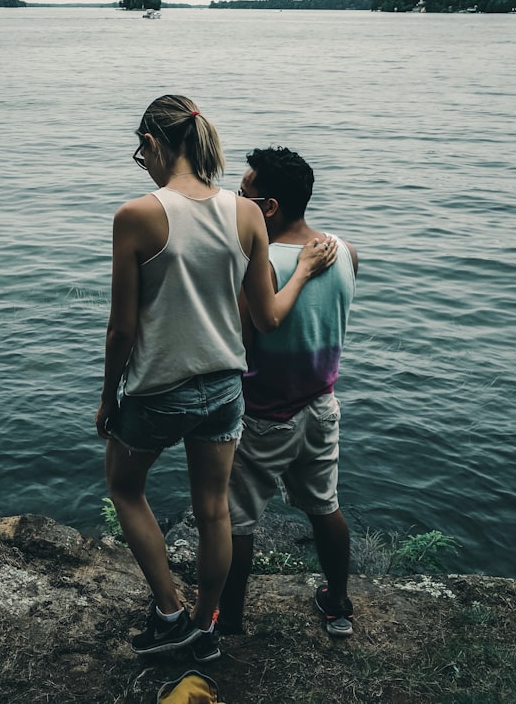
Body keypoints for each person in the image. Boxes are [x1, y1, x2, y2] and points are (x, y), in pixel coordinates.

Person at [95, 97, 337, 663]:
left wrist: (108, 399)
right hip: (227, 389)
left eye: (141, 152)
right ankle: (206, 626)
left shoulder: (137, 215)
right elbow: (267, 317)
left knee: (125, 488)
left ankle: (170, 611)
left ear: (153, 144)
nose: (142, 162)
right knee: (214, 510)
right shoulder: (246, 213)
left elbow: (121, 332)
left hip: (159, 390)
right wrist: (301, 270)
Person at [219, 145, 359, 637]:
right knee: (325, 506)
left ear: (269, 207)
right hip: (321, 406)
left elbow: (242, 340)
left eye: (243, 193)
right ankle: (338, 605)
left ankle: (230, 620)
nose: (237, 201)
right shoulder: (345, 252)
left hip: (262, 414)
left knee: (236, 520)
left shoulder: (259, 265)